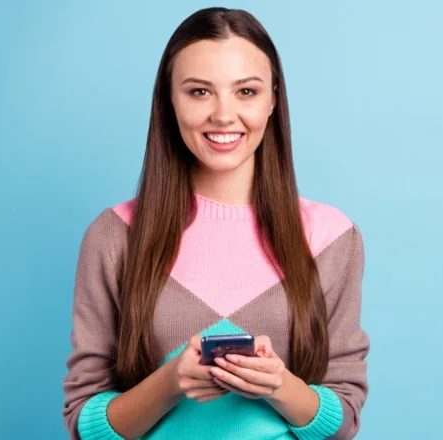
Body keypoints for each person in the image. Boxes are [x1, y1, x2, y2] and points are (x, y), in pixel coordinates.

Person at [62, 7, 369, 440]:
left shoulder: (331, 237)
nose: (224, 115)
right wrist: (170, 383)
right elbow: (85, 424)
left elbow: (343, 420)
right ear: (170, 101)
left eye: (246, 91)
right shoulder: (114, 236)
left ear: (273, 99)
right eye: (200, 92)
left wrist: (279, 386)